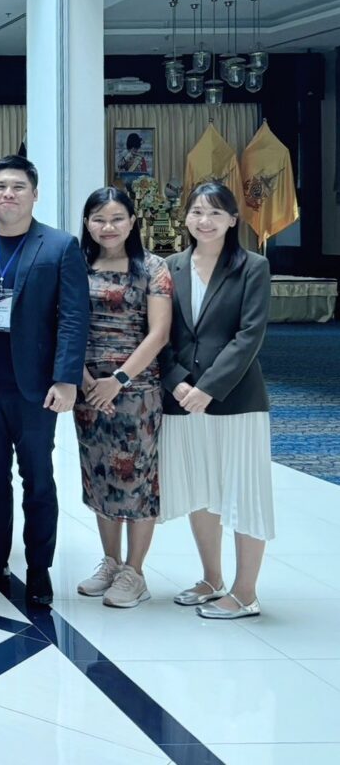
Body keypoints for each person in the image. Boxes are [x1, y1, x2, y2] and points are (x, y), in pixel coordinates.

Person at [0, 155, 88, 607]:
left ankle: (39, 569)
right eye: (0, 187)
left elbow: (73, 317)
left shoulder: (59, 245)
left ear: (35, 194)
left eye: (18, 187)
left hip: (34, 389)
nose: (8, 194)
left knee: (37, 480)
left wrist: (66, 379)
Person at [159, 182, 273, 619]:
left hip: (236, 399)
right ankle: (212, 579)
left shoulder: (252, 266)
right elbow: (159, 333)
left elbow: (250, 335)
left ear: (232, 220)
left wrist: (208, 388)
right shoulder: (170, 266)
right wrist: (177, 382)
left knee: (245, 492)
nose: (204, 221)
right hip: (183, 398)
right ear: (185, 217)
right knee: (200, 490)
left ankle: (246, 593)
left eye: (215, 213)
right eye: (197, 212)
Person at [73, 187, 173, 608]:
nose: (107, 227)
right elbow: (64, 324)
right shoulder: (76, 264)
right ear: (87, 223)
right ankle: (111, 562)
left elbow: (159, 334)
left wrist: (117, 380)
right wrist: (85, 381)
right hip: (87, 388)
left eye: (117, 218)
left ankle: (135, 571)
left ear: (133, 222)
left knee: (138, 481)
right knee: (99, 475)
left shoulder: (152, 267)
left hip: (137, 390)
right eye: (98, 219)